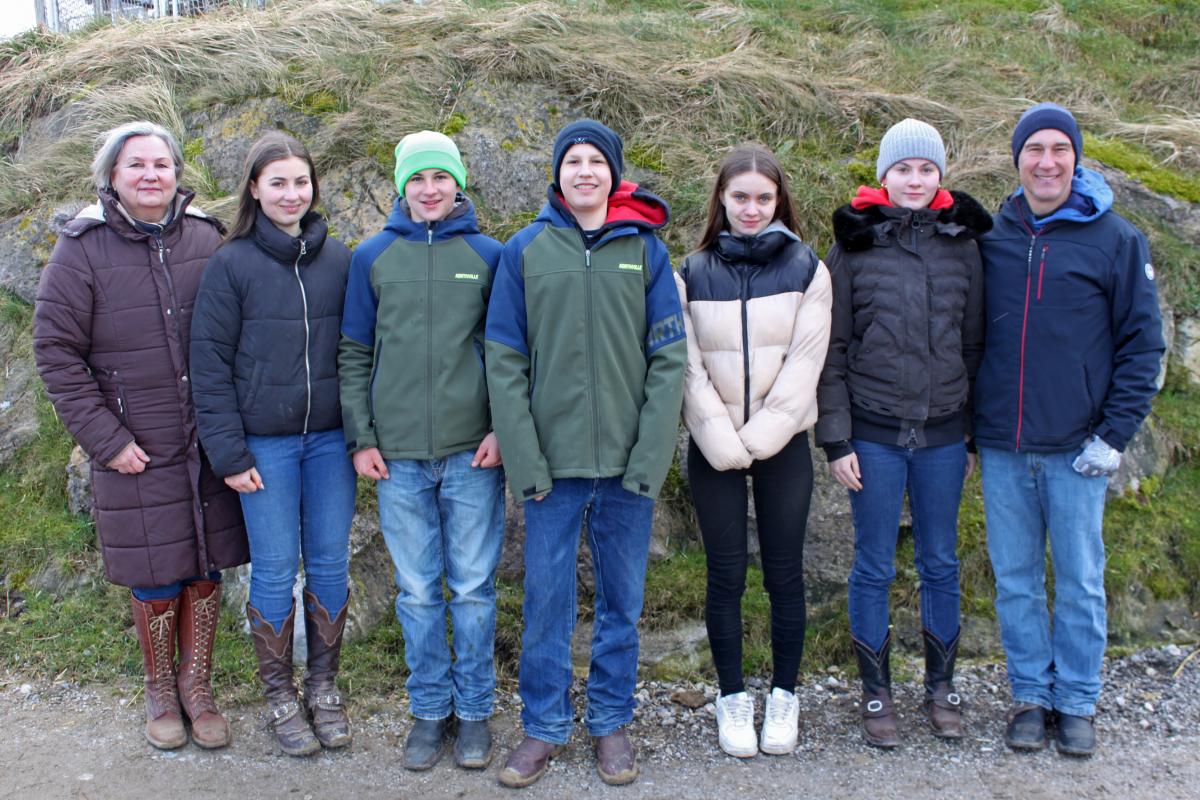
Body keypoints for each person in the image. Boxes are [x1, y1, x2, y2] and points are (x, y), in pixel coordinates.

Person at [32, 121, 248, 751]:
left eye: (162, 164)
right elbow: (56, 352)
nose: (151, 175)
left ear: (178, 173)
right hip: (135, 444)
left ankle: (197, 686)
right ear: (112, 177)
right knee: (155, 570)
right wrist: (105, 438)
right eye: (137, 166)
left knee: (207, 565)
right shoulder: (82, 248)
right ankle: (159, 690)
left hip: (209, 439)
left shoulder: (208, 238)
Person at [485, 119, 686, 787]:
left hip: (629, 469)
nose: (584, 171)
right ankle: (542, 726)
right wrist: (525, 460)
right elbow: (504, 361)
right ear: (557, 174)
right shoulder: (524, 251)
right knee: (546, 601)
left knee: (621, 602)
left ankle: (609, 723)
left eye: (596, 161)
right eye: (572, 161)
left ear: (613, 173)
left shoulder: (646, 252)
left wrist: (649, 459)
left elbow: (668, 358)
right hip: (552, 469)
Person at [974, 102, 1164, 757]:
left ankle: (1078, 701)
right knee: (1018, 580)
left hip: (1079, 450)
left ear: (1076, 159)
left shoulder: (1116, 240)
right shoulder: (993, 239)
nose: (1047, 161)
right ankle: (1031, 696)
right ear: (1018, 159)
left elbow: (1143, 346)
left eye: (1059, 149)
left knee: (1080, 580)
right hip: (1003, 448)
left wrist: (1113, 436)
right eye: (1035, 150)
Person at [815, 118, 990, 748]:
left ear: (940, 176)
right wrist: (837, 440)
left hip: (944, 434)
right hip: (874, 434)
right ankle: (876, 690)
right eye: (903, 169)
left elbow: (974, 345)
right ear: (883, 176)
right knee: (873, 565)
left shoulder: (963, 244)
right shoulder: (853, 247)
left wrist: (968, 434)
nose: (914, 180)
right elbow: (830, 350)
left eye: (926, 169)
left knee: (941, 562)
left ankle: (941, 687)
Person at [338, 131, 505, 771]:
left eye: (441, 178)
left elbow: (508, 353)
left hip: (472, 454)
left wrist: (500, 431)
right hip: (397, 457)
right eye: (417, 179)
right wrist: (362, 436)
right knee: (416, 592)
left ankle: (475, 714)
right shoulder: (372, 258)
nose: (429, 190)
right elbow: (354, 352)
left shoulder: (489, 255)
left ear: (458, 184)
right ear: (402, 186)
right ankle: (429, 712)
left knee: (471, 590)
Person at [190, 132, 354, 756]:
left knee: (331, 564)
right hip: (265, 447)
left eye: (301, 181)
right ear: (254, 189)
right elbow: (208, 364)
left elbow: (359, 353)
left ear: (313, 188)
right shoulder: (231, 264)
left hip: (332, 442)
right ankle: (279, 696)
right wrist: (229, 454)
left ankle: (324, 687)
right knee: (278, 568)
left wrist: (361, 436)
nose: (291, 193)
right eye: (277, 182)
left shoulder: (339, 259)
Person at [676, 145, 832, 758]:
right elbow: (685, 367)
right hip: (713, 447)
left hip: (783, 444)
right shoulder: (689, 271)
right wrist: (720, 439)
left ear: (779, 201)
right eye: (739, 196)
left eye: (763, 198)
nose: (750, 207)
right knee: (726, 574)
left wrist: (760, 437)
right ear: (721, 199)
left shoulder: (808, 269)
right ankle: (733, 696)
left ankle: (785, 694)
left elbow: (806, 364)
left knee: (785, 573)